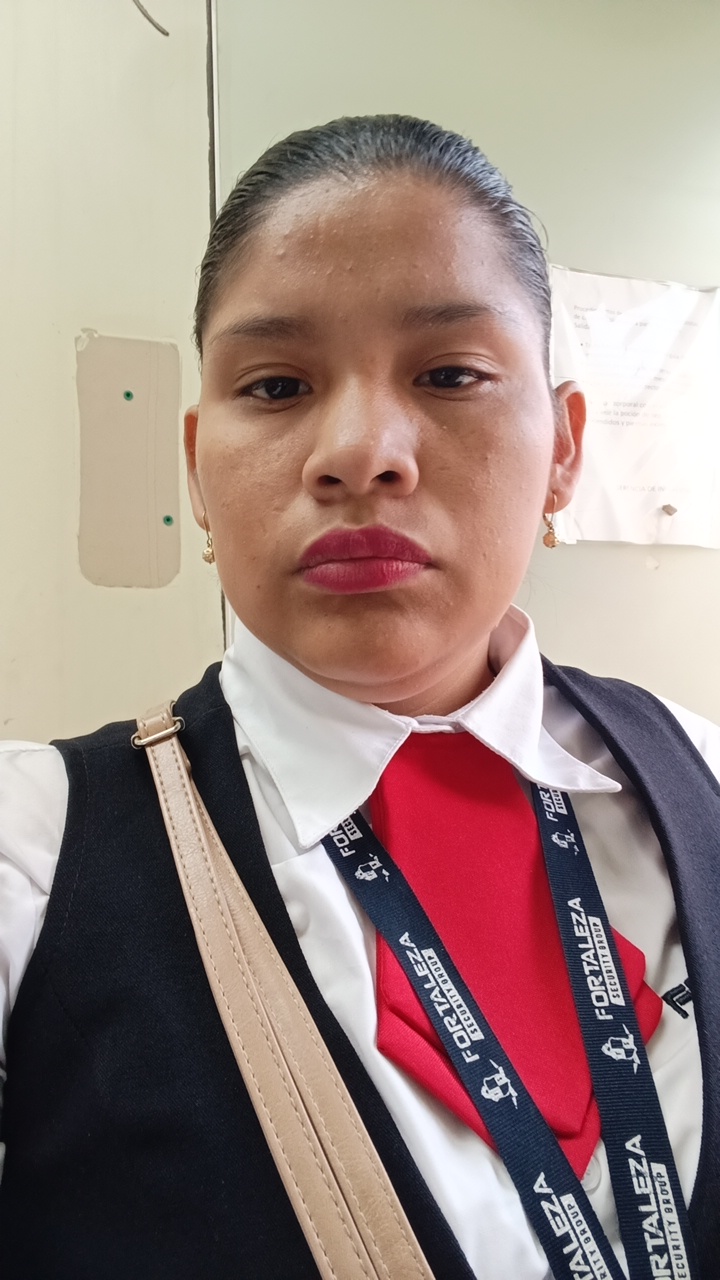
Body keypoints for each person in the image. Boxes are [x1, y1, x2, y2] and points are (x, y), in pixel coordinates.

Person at [0, 115, 717, 1280]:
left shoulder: (700, 771)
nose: (358, 450)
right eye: (278, 384)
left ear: (565, 447)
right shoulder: (38, 851)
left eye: (449, 374)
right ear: (198, 466)